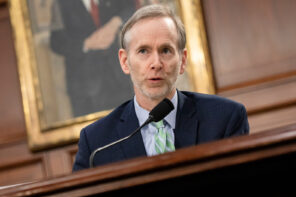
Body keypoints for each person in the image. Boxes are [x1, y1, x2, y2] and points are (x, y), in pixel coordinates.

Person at [73, 4, 249, 171]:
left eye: (165, 50)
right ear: (125, 62)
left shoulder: (225, 118)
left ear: (183, 61)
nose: (156, 63)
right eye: (143, 51)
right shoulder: (96, 143)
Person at [50, 0, 138, 117]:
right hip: (84, 87)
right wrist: (86, 44)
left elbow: (132, 8)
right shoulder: (61, 3)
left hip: (118, 80)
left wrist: (115, 22)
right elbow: (56, 42)